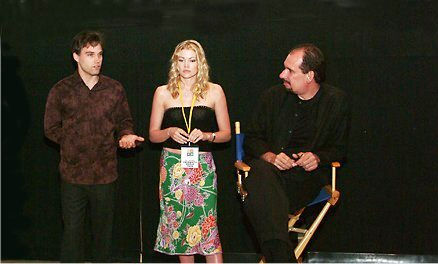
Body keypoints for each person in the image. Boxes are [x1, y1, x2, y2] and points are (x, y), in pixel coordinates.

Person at [242, 43, 350, 262]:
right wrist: (271, 156)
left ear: (310, 76)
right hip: (269, 177)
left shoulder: (336, 101)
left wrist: (318, 157)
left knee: (260, 198)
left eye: (290, 71)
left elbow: (339, 149)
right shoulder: (272, 97)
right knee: (261, 171)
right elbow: (252, 139)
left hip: (304, 182)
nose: (282, 74)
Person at [44, 30, 144, 262]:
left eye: (100, 54)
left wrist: (126, 136)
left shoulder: (114, 89)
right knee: (72, 236)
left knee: (103, 237)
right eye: (90, 54)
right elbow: (50, 129)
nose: (97, 59)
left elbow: (125, 122)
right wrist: (76, 144)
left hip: (105, 175)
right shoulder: (61, 90)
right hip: (72, 176)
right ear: (76, 56)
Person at [149, 40, 231, 263]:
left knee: (207, 226)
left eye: (192, 60)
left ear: (200, 63)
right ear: (175, 63)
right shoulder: (162, 93)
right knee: (181, 229)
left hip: (201, 168)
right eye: (181, 60)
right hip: (172, 167)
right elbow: (152, 135)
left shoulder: (215, 91)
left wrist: (206, 135)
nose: (186, 65)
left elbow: (226, 134)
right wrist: (168, 131)